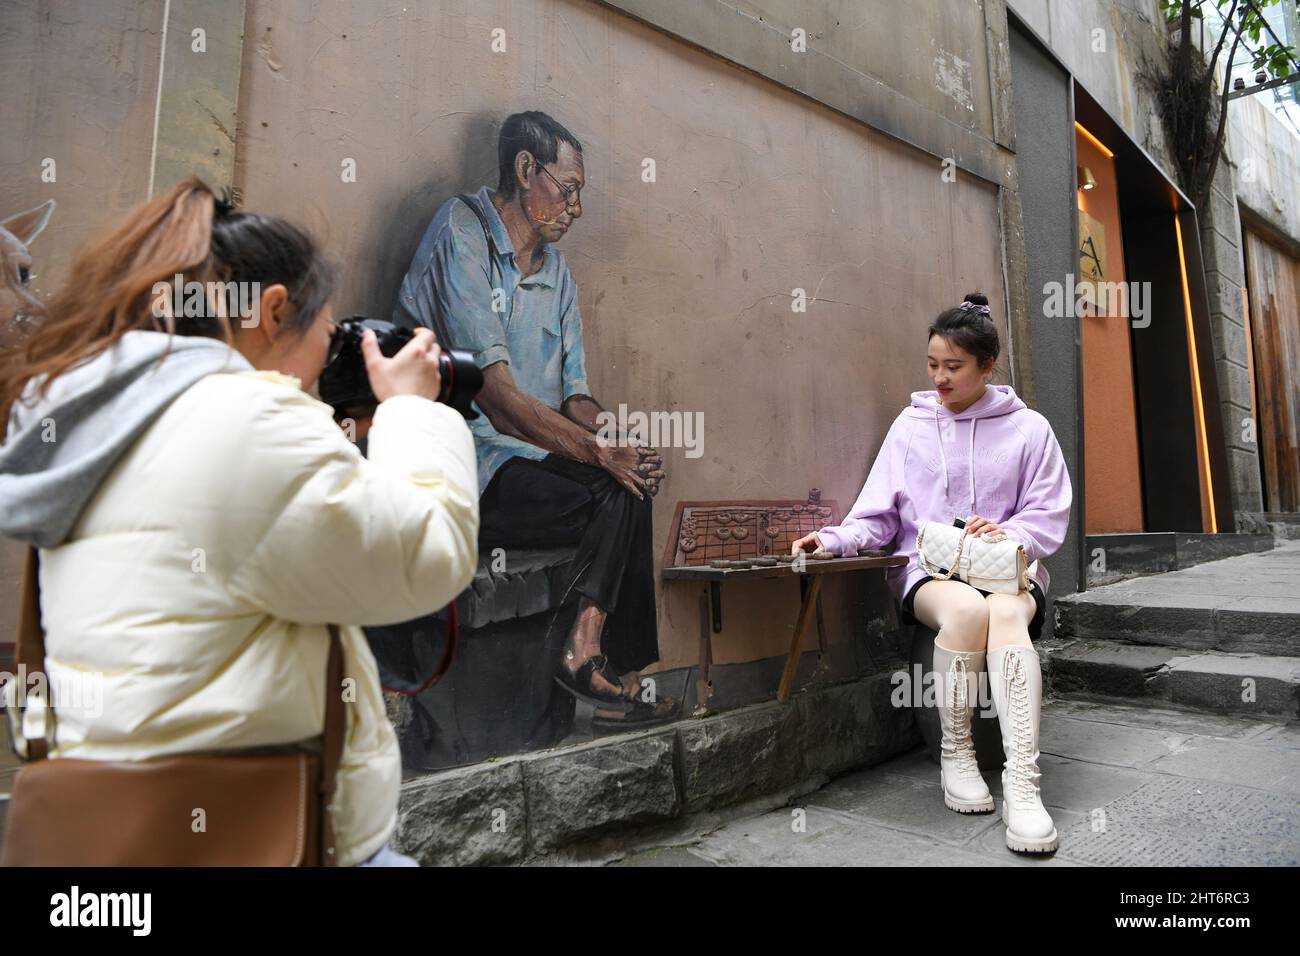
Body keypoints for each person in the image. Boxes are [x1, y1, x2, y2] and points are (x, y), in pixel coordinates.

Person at [0, 180, 480, 866]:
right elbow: (427, 554)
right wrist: (412, 409)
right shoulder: (242, 421)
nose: (328, 355)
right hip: (260, 834)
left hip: (114, 837)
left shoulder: (100, 421)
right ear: (273, 310)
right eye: (328, 331)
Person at [393, 110, 675, 726]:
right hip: (462, 463)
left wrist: (618, 437)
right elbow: (495, 399)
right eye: (566, 189)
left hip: (527, 456)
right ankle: (588, 663)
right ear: (526, 170)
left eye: (579, 195)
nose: (574, 207)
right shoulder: (460, 235)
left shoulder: (557, 271)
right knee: (610, 482)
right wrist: (598, 454)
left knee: (631, 482)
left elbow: (575, 398)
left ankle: (598, 659)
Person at [793, 292, 1072, 854]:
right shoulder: (910, 426)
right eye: (932, 364)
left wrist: (1009, 532)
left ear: (986, 367)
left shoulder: (1029, 428)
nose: (939, 378)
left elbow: (1048, 512)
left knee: (1004, 612)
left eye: (954, 367)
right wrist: (832, 539)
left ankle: (1024, 782)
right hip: (932, 572)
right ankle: (958, 754)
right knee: (966, 609)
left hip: (1008, 570)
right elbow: (877, 515)